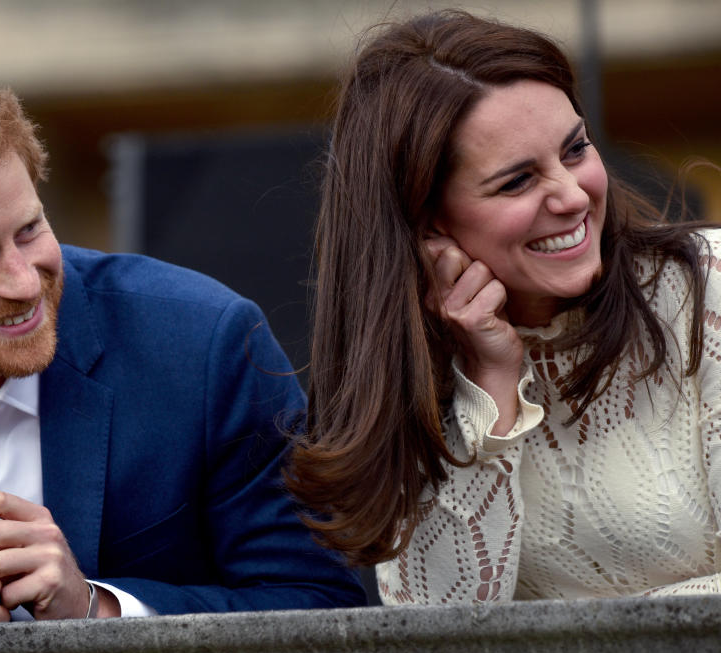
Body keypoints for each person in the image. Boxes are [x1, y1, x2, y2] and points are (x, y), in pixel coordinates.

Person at [0, 61, 364, 633]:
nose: (26, 282)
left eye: (30, 230)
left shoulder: (206, 343)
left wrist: (99, 609)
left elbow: (319, 605)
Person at [285, 9, 721, 604]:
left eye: (575, 150)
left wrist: (596, 633)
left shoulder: (706, 289)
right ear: (427, 224)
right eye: (517, 182)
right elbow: (438, 635)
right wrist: (490, 386)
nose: (572, 196)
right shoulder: (416, 381)